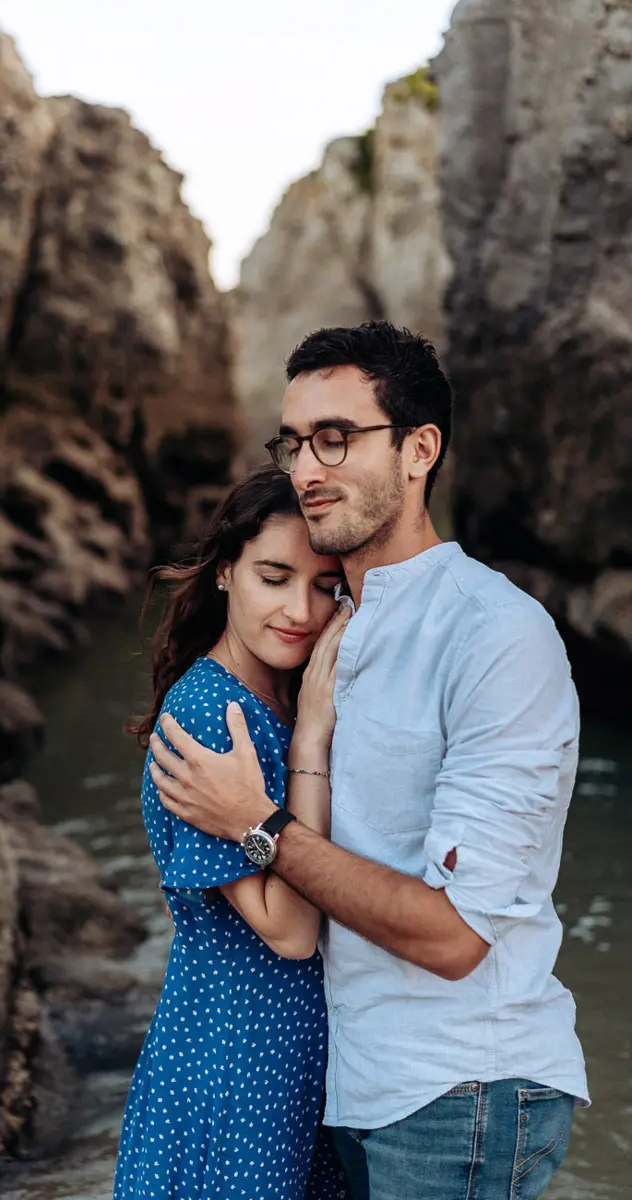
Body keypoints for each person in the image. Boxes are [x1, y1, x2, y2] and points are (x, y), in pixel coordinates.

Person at [149, 320, 590, 1200]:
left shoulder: (492, 634)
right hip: (350, 1089)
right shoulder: (328, 632)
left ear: (420, 448)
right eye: (295, 441)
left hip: (458, 1091)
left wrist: (257, 823)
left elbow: (458, 935)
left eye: (337, 439)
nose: (307, 469)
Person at [113, 466, 353, 1200]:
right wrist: (309, 744)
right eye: (273, 577)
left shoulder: (277, 691)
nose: (299, 611)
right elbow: (290, 928)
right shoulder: (213, 714)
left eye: (323, 586)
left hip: (291, 1059)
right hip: (239, 1064)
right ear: (225, 574)